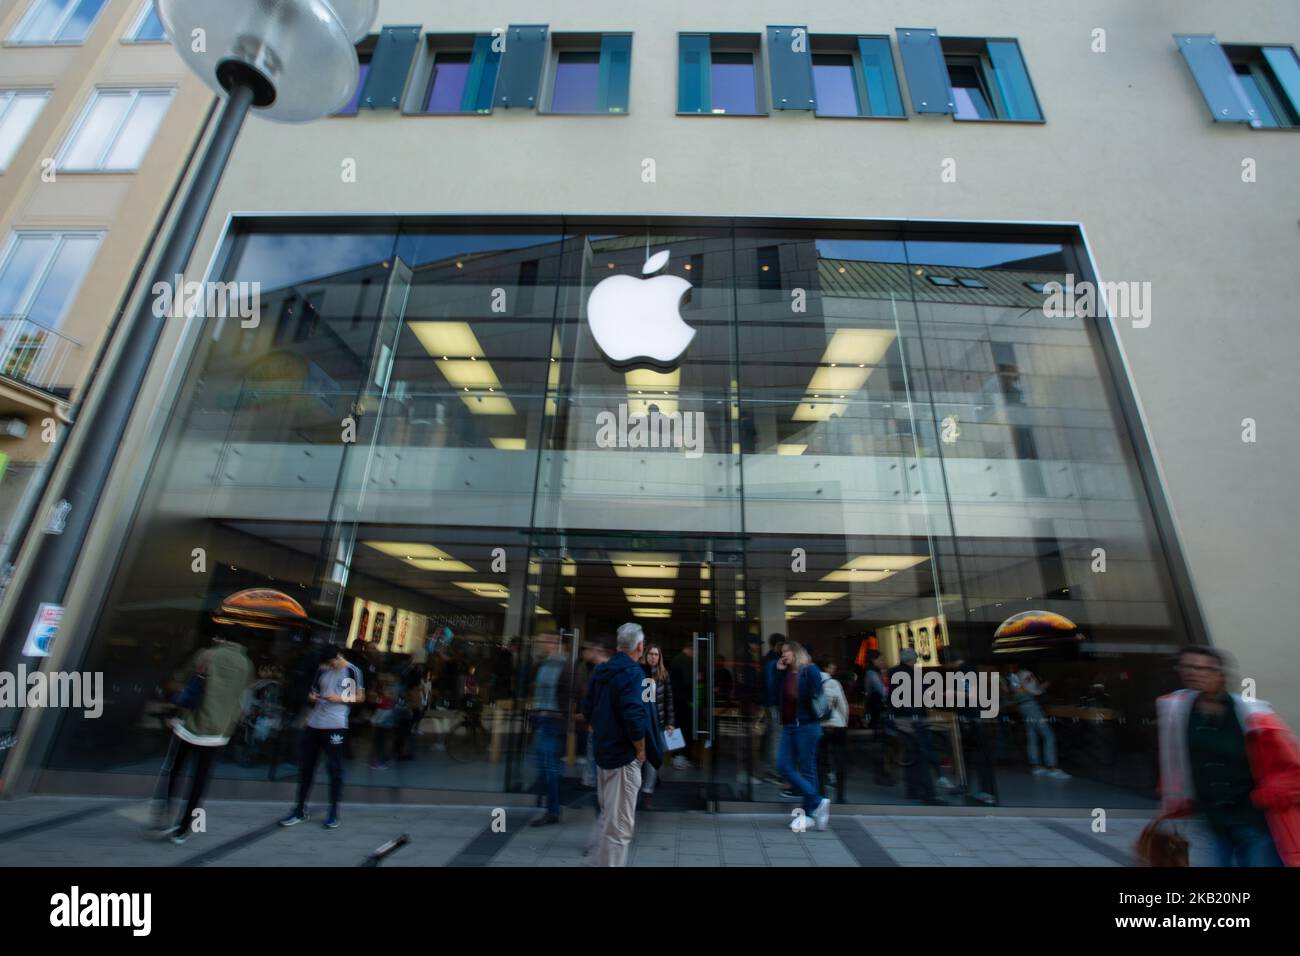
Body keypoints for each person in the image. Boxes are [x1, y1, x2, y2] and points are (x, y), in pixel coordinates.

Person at [1157, 646, 1300, 867]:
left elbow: (1290, 764)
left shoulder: (1253, 713)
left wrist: (1269, 793)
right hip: (1211, 819)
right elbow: (1175, 760)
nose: (1192, 672)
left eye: (1201, 668)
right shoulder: (1178, 710)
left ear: (1220, 674)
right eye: (1186, 666)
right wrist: (1174, 794)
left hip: (1254, 819)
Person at [153, 622, 253, 845]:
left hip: (190, 725)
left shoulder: (207, 655)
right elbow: (242, 699)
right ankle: (184, 827)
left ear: (223, 638)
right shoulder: (246, 665)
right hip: (218, 732)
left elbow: (183, 683)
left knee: (175, 769)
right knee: (200, 779)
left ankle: (166, 813)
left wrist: (174, 712)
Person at [582, 623, 661, 866]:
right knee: (620, 829)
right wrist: (640, 749)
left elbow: (587, 710)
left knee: (608, 818)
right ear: (639, 647)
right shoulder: (633, 673)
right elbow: (634, 716)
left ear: (619, 646)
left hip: (603, 755)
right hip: (623, 759)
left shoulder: (601, 671)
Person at [279, 643, 364, 830]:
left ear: (338, 656)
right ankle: (299, 808)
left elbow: (359, 697)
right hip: (315, 721)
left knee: (334, 768)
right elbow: (315, 689)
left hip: (336, 723)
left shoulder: (352, 671)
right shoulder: (322, 669)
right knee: (307, 766)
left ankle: (333, 811)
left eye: (333, 662)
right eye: (328, 663)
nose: (331, 666)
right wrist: (313, 696)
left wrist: (340, 698)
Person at [774, 641, 831, 831]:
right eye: (782, 652)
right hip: (789, 726)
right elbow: (774, 695)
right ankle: (817, 801)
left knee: (807, 769)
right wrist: (779, 671)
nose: (784, 655)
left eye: (787, 651)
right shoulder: (786, 673)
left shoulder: (810, 670)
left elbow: (817, 696)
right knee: (783, 766)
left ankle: (809, 814)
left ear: (796, 652)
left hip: (807, 726)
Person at [528, 633, 572, 827]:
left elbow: (569, 693)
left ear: (555, 644)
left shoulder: (564, 665)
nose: (541, 645)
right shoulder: (544, 664)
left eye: (545, 641)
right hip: (542, 717)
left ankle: (552, 810)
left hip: (552, 719)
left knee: (549, 766)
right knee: (545, 763)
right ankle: (551, 806)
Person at [890, 648, 940, 804]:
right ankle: (928, 793)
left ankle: (912, 789)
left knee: (910, 754)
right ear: (911, 660)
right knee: (921, 754)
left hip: (900, 718)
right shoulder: (914, 674)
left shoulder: (893, 673)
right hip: (914, 717)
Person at [1008, 664, 1070, 779]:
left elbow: (1015, 692)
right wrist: (1043, 687)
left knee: (1032, 735)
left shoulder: (1014, 676)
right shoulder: (1026, 674)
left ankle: (1036, 766)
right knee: (1048, 735)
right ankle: (1053, 767)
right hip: (1031, 706)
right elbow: (1034, 690)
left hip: (1022, 707)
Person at [640, 643, 676, 810]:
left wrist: (670, 723)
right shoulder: (639, 673)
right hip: (641, 724)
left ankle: (647, 794)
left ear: (659, 657)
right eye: (651, 654)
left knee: (654, 760)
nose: (653, 657)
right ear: (645, 655)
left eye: (656, 654)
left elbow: (669, 700)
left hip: (659, 724)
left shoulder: (664, 675)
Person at [818, 661, 849, 802]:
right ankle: (840, 796)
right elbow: (843, 705)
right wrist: (844, 722)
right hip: (837, 725)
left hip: (820, 726)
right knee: (839, 760)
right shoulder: (834, 683)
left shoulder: (812, 683)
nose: (833, 667)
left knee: (821, 760)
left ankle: (821, 792)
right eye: (830, 665)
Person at [761, 634, 785, 785]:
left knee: (774, 736)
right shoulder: (773, 662)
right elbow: (771, 685)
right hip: (775, 704)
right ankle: (773, 772)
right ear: (778, 645)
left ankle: (773, 770)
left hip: (773, 703)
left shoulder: (770, 660)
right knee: (776, 736)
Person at [669, 642, 696, 770]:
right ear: (690, 649)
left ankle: (676, 757)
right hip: (683, 700)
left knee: (675, 728)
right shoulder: (685, 660)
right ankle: (679, 757)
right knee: (684, 729)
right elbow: (688, 681)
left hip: (675, 699)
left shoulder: (676, 659)